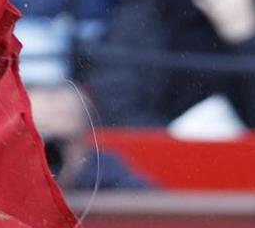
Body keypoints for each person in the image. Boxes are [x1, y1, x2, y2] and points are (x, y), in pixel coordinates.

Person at [83, 0, 255, 129]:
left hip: (250, 177)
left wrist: (249, 39)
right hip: (162, 177)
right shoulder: (145, 12)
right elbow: (117, 109)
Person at [27, 77, 157, 200]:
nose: (50, 154)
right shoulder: (10, 180)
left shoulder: (113, 181)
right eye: (39, 141)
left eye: (62, 142)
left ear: (84, 140)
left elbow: (155, 210)